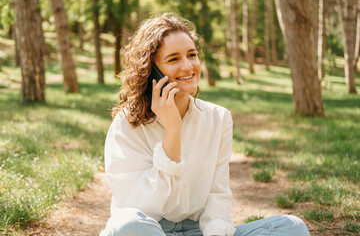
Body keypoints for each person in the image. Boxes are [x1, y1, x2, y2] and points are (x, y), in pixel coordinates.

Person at [100, 12, 310, 236]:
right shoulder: (127, 124)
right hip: (147, 228)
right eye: (173, 59)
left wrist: (216, 233)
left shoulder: (218, 118)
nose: (188, 66)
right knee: (126, 225)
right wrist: (173, 129)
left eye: (192, 55)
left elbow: (217, 194)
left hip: (197, 231)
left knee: (292, 227)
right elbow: (140, 205)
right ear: (150, 69)